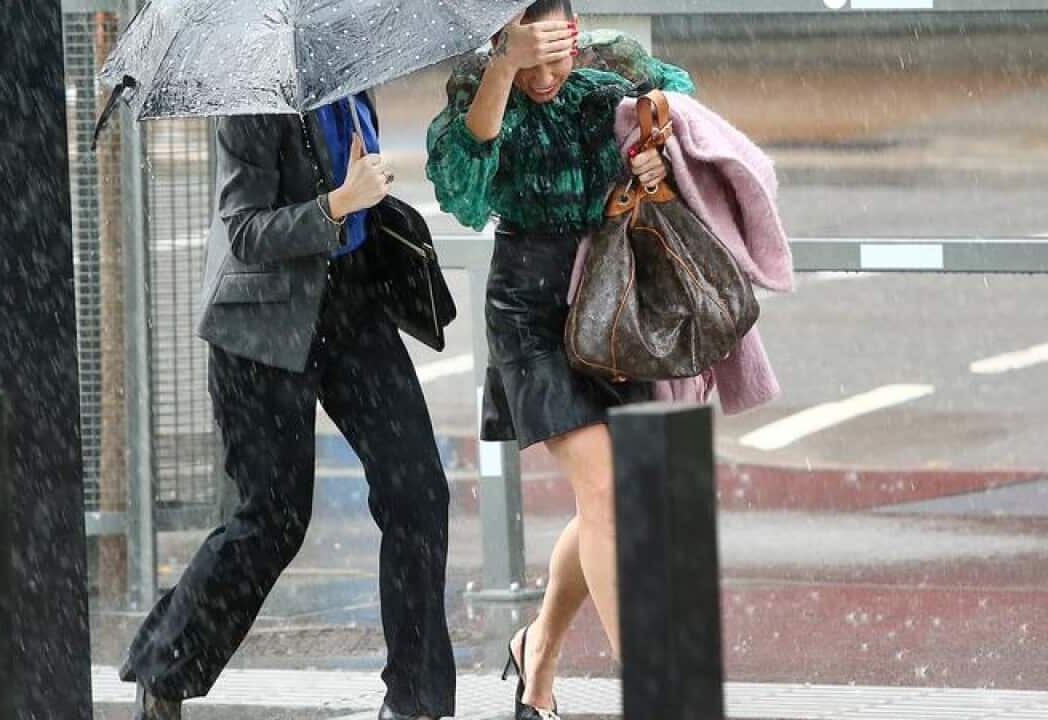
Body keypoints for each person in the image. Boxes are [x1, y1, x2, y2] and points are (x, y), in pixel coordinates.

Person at [121, 93, 455, 720]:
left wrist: (365, 196)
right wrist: (338, 204)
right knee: (271, 518)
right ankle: (165, 668)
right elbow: (244, 230)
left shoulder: (350, 81)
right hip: (260, 325)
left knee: (418, 493)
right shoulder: (252, 102)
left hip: (351, 302)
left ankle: (416, 702)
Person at [425, 2, 696, 719]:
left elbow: (681, 108)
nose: (546, 76)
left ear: (576, 34)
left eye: (558, 55)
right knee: (607, 491)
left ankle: (536, 649)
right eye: (530, 57)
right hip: (527, 306)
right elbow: (461, 192)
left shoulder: (615, 66)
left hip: (610, 295)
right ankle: (656, 689)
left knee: (612, 496)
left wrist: (653, 150)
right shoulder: (482, 83)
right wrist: (503, 68)